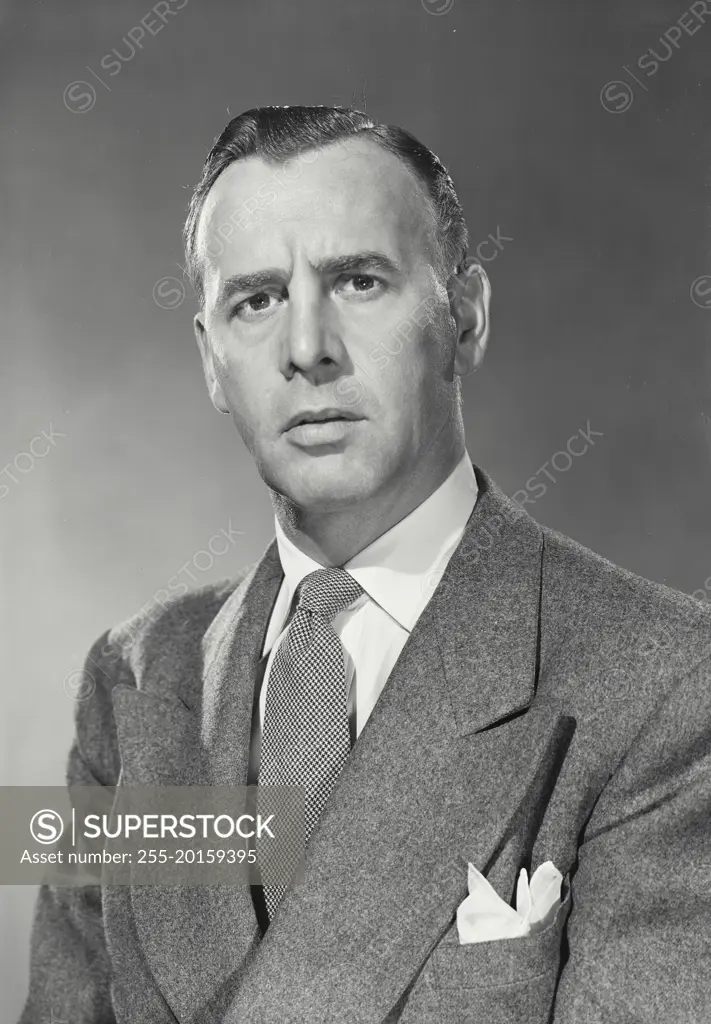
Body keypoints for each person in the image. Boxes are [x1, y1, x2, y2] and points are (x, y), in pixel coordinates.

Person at [20, 105, 711, 1024]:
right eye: (257, 299)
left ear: (462, 318)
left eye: (356, 281)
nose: (307, 348)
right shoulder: (132, 680)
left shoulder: (666, 684)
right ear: (211, 362)